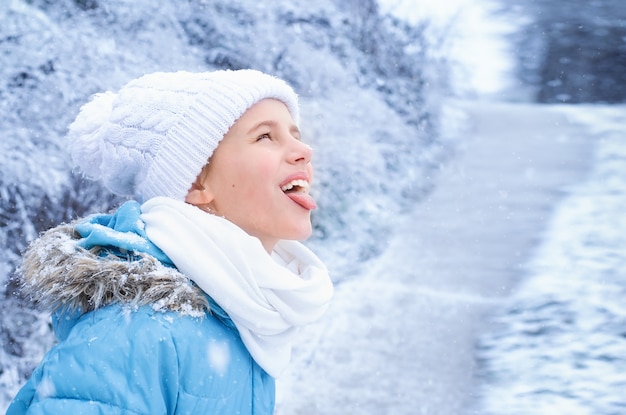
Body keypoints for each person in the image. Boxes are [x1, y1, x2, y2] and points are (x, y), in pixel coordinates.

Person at [7, 69, 334, 414]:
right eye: (265, 136)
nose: (304, 150)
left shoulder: (240, 315)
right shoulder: (138, 332)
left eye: (295, 135)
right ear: (195, 183)